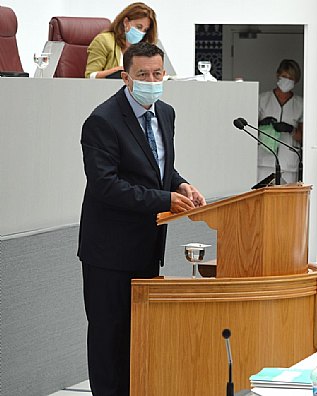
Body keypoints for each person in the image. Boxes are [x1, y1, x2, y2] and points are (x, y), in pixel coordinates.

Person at [78, 42, 205, 396]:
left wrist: (181, 183)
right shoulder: (102, 121)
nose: (152, 80)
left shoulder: (166, 112)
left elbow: (158, 166)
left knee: (139, 336)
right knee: (109, 337)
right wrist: (165, 199)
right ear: (126, 77)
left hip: (146, 246)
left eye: (157, 73)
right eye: (143, 75)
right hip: (108, 251)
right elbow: (106, 186)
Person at [257, 59, 303, 184]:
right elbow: (249, 127)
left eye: (291, 78)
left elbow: (303, 137)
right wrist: (261, 123)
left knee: (285, 199)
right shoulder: (262, 99)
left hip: (288, 163)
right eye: (284, 76)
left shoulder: (300, 104)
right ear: (278, 75)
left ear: (296, 81)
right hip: (264, 161)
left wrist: (290, 129)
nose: (287, 80)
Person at [85, 2, 158, 79]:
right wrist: (117, 70)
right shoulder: (104, 41)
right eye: (139, 27)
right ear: (126, 22)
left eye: (145, 30)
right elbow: (90, 76)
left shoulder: (143, 47)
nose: (141, 33)